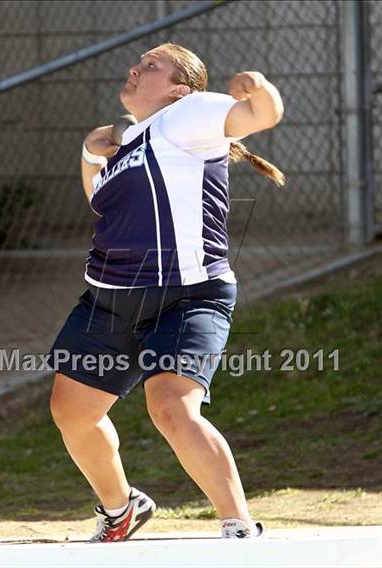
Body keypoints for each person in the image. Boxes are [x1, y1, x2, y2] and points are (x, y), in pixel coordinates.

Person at [49, 43, 284, 543]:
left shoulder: (189, 115)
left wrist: (257, 89)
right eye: (137, 64)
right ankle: (121, 510)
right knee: (72, 413)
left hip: (188, 294)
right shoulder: (133, 144)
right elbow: (98, 198)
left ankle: (238, 527)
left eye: (151, 66)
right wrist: (94, 147)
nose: (135, 69)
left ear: (179, 89)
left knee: (172, 406)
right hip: (109, 299)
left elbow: (258, 116)